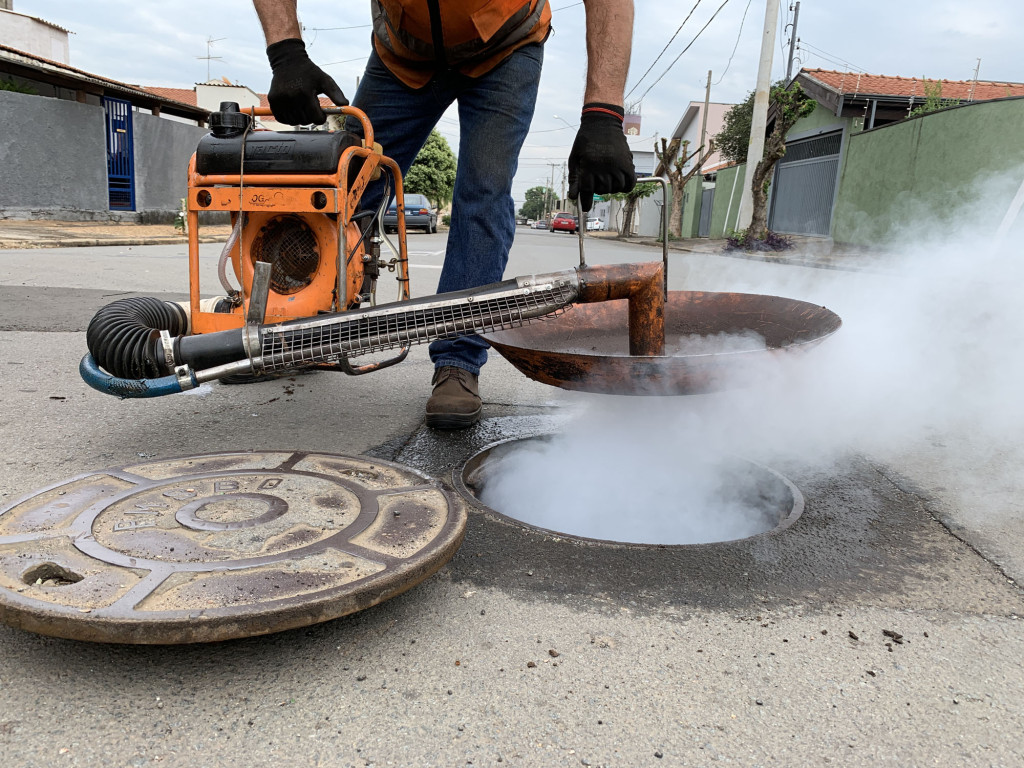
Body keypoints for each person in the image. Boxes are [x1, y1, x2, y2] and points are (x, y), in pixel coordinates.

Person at [253, 0, 636, 428]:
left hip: (505, 47)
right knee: (339, 184)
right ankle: (294, 332)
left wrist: (604, 113)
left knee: (483, 194)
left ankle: (457, 360)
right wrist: (285, 53)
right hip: (403, 54)